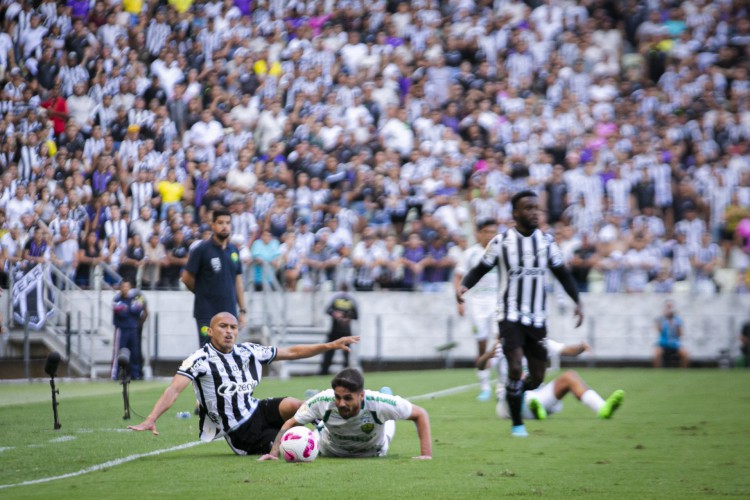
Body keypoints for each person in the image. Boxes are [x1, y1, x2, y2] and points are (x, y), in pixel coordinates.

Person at [128, 312, 359, 456]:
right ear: (210, 331)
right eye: (223, 327)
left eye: (233, 327)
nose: (229, 331)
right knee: (290, 443)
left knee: (298, 405)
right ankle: (329, 446)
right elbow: (174, 389)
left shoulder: (248, 351)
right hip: (240, 432)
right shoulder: (199, 360)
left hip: (256, 409)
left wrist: (329, 346)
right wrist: (151, 418)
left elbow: (290, 351)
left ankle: (339, 434)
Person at [457, 190, 583, 437]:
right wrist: (464, 286)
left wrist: (578, 301)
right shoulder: (502, 242)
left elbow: (563, 275)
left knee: (536, 377)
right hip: (509, 316)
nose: (534, 212)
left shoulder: (547, 242)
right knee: (515, 366)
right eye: (528, 208)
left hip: (537, 319)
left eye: (537, 208)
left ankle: (515, 396)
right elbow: (481, 267)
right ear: (515, 213)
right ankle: (517, 423)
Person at [258, 367, 431, 460]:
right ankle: (315, 415)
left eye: (348, 398)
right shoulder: (324, 400)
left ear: (361, 395)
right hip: (330, 450)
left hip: (374, 451)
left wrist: (425, 455)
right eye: (338, 397)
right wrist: (273, 453)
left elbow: (420, 414)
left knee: (388, 416)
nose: (341, 403)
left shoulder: (378, 403)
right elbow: (291, 423)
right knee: (317, 423)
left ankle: (388, 393)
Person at [478, 339, 624, 421]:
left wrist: (580, 347)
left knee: (569, 376)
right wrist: (488, 354)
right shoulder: (503, 346)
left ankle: (602, 408)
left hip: (539, 397)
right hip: (509, 404)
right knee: (520, 383)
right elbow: (481, 365)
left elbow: (566, 350)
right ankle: (536, 407)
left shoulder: (539, 340)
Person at [181, 208, 246, 347]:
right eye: (221, 222)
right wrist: (202, 292)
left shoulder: (234, 251)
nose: (225, 226)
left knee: (227, 351)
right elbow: (186, 278)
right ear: (213, 225)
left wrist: (242, 310)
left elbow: (238, 282)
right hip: (207, 312)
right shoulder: (202, 249)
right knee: (207, 351)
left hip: (229, 311)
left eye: (228, 223)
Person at [453, 220, 499, 401]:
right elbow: (458, 277)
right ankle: (485, 385)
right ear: (478, 233)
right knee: (481, 344)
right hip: (477, 304)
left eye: (493, 232)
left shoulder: (500, 251)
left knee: (500, 342)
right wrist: (459, 302)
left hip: (497, 303)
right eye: (486, 232)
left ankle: (503, 383)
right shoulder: (470, 254)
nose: (489, 236)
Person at [111, 279, 147, 380]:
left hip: (133, 329)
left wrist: (128, 309)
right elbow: (121, 312)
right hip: (121, 330)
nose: (125, 289)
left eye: (127, 287)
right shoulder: (116, 299)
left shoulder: (136, 298)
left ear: (130, 288)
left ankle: (136, 374)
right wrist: (130, 309)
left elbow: (138, 309)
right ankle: (116, 374)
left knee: (135, 352)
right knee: (119, 352)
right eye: (123, 287)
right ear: (120, 288)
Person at [319, 283, 358, 375]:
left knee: (330, 351)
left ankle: (324, 372)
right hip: (344, 331)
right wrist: (347, 317)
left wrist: (338, 315)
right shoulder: (351, 300)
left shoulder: (336, 298)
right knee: (344, 353)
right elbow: (356, 315)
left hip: (337, 330)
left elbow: (328, 310)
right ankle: (345, 373)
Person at [653, 299, 689, 368]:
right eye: (668, 307)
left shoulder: (678, 320)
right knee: (657, 353)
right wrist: (664, 320)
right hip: (663, 343)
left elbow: (680, 334)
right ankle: (657, 372)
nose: (669, 309)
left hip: (675, 344)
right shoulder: (661, 319)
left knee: (685, 354)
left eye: (671, 307)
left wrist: (675, 326)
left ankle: (683, 372)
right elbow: (659, 331)